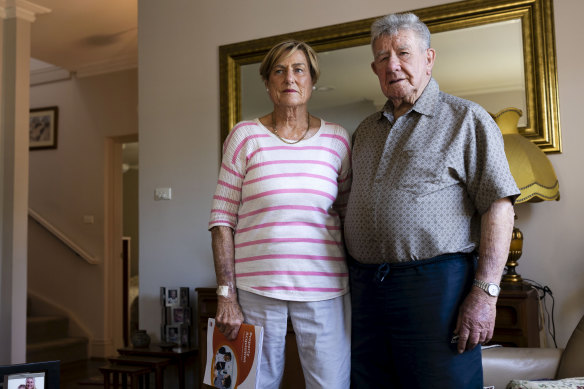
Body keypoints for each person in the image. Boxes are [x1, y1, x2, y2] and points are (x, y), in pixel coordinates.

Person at [344, 12, 520, 388]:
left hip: (436, 289)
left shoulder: (466, 119)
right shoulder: (364, 131)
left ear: (429, 58)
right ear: (374, 67)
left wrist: (486, 293)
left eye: (403, 53)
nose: (393, 65)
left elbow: (499, 206)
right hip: (365, 290)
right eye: (382, 57)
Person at [209, 40, 352, 388]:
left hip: (325, 288)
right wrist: (226, 294)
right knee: (249, 385)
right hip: (255, 288)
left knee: (331, 384)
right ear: (268, 81)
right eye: (279, 70)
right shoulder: (245, 136)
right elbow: (221, 219)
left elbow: (347, 216)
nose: (290, 77)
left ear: (312, 81)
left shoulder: (337, 140)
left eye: (299, 69)